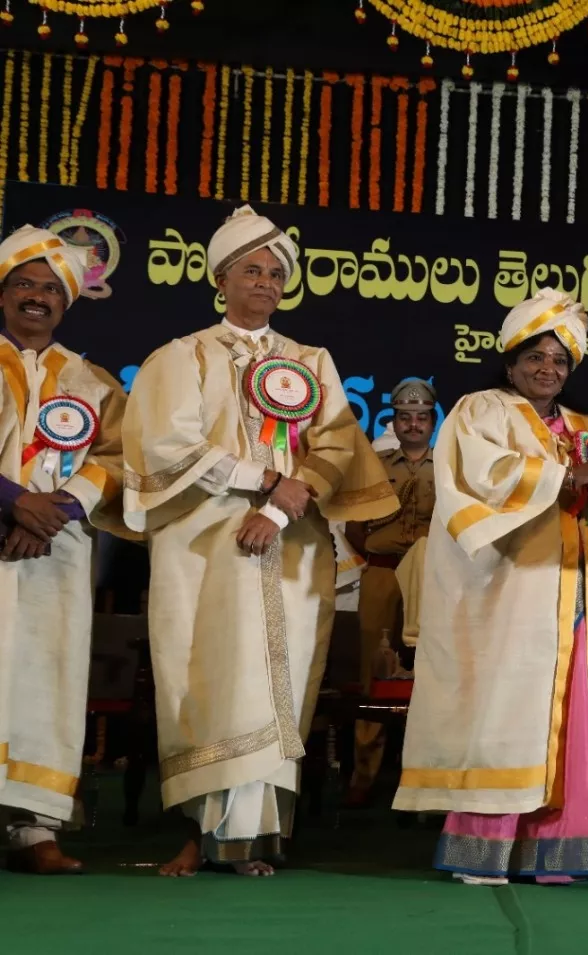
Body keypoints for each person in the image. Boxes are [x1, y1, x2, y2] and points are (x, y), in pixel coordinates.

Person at [121, 205, 397, 877]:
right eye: (253, 270)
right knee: (211, 678)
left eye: (277, 273)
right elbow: (165, 444)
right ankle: (201, 831)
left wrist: (283, 502)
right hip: (205, 548)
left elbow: (336, 441)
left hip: (293, 550)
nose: (267, 283)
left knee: (278, 683)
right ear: (220, 277)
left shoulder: (311, 361)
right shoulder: (180, 356)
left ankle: (256, 837)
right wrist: (265, 478)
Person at [393, 288, 588, 885]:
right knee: (505, 714)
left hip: (578, 600)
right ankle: (485, 852)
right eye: (535, 358)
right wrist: (563, 477)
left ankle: (553, 854)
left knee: (574, 716)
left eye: (559, 360)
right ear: (509, 363)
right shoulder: (481, 411)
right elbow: (483, 475)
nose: (547, 369)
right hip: (512, 599)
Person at [0, 225, 127, 875]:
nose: (37, 296)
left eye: (51, 288)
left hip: (54, 555)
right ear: (2, 293)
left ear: (67, 303)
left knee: (44, 679)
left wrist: (58, 508)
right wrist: (12, 498)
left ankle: (33, 827)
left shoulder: (91, 380)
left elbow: (118, 456)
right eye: (24, 283)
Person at [343, 378, 438, 806]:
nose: (413, 425)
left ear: (432, 422)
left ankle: (426, 775)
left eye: (421, 417)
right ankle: (364, 774)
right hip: (382, 572)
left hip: (435, 578)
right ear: (393, 422)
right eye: (405, 417)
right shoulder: (375, 465)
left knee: (435, 669)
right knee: (373, 670)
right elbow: (354, 527)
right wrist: (381, 558)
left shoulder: (451, 465)